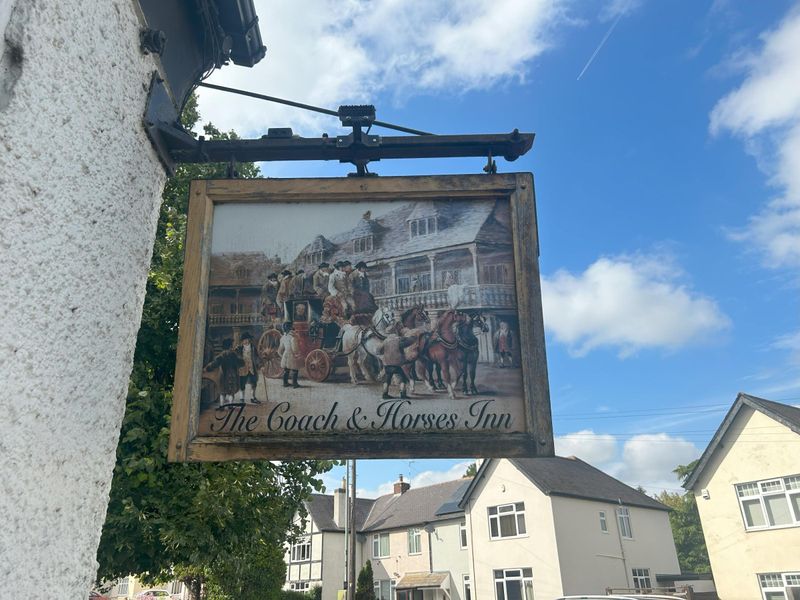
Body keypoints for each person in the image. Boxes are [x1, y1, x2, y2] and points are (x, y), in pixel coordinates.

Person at [204, 338, 243, 405]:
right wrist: (238, 354)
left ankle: (221, 405)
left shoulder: (221, 355)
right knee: (231, 392)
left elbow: (214, 363)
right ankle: (230, 405)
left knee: (222, 392)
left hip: (223, 375)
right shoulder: (234, 355)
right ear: (230, 346)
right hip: (232, 375)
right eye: (232, 345)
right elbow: (242, 363)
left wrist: (207, 368)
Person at [381, 332, 418, 399]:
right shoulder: (398, 341)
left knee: (387, 380)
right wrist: (412, 336)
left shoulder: (385, 341)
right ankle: (403, 394)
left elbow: (378, 350)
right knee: (403, 379)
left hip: (387, 364)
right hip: (397, 364)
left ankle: (385, 394)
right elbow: (410, 342)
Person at [236, 332, 261, 403]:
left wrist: (260, 365)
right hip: (243, 369)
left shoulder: (253, 348)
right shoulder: (239, 348)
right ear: (242, 341)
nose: (246, 341)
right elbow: (236, 357)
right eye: (244, 340)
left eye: (247, 339)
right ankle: (242, 398)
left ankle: (253, 397)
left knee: (254, 383)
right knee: (242, 384)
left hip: (252, 368)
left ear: (249, 339)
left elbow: (257, 357)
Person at [278, 321, 303, 388]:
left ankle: (285, 383)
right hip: (292, 355)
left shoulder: (283, 337)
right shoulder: (293, 337)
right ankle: (294, 384)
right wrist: (297, 353)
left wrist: (281, 355)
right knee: (295, 370)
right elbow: (295, 349)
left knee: (286, 370)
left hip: (285, 354)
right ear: (290, 328)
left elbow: (280, 349)